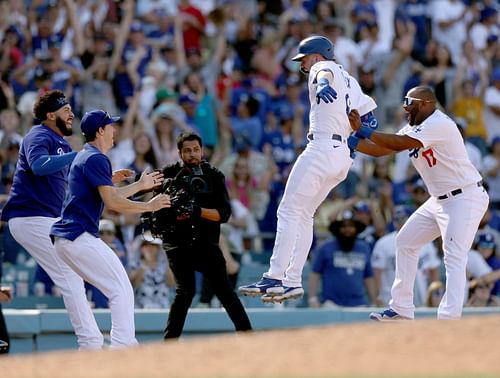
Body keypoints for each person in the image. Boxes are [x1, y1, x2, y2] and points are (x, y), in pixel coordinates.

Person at [239, 35, 378, 302]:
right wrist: (355, 137)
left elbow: (321, 72)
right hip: (343, 158)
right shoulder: (351, 80)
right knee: (304, 214)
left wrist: (323, 81)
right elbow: (371, 122)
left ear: (316, 55)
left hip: (321, 149)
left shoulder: (321, 67)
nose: (302, 64)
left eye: (303, 58)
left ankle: (274, 276)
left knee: (288, 210)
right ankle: (292, 281)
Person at [348, 85, 489, 320]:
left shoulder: (439, 124)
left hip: (465, 197)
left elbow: (399, 144)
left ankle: (450, 318)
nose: (406, 109)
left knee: (454, 255)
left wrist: (362, 130)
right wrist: (352, 142)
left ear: (425, 104)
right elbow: (384, 149)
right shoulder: (417, 125)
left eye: (410, 104)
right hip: (439, 200)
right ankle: (401, 308)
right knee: (405, 241)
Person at [50, 110, 171, 348]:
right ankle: (123, 349)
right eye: (111, 126)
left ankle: (96, 346)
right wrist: (149, 206)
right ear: (100, 131)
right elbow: (114, 203)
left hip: (67, 240)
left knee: (116, 288)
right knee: (121, 289)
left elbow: (108, 196)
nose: (115, 130)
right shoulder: (96, 158)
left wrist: (138, 185)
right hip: (77, 236)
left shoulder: (87, 155)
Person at [0, 90, 106, 350]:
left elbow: (76, 180)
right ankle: (91, 343)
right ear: (50, 115)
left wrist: (109, 180)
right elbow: (39, 165)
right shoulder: (38, 134)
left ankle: (91, 341)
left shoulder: (64, 144)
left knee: (73, 274)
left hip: (45, 218)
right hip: (29, 217)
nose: (71, 113)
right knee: (69, 275)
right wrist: (78, 155)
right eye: (65, 109)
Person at [159, 132, 252, 339]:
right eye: (187, 150)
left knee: (225, 291)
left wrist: (197, 211)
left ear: (202, 150)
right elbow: (145, 186)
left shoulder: (214, 175)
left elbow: (224, 215)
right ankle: (169, 344)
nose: (192, 154)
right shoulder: (169, 173)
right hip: (177, 244)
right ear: (179, 153)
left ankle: (248, 337)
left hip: (206, 244)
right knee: (185, 293)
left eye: (195, 150)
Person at [308, 209, 377, 308]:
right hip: (331, 304)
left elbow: (368, 277)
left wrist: (373, 301)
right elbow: (315, 273)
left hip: (359, 304)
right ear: (337, 229)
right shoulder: (325, 248)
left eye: (351, 226)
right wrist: (312, 298)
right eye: (343, 226)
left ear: (356, 228)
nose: (347, 229)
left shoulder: (364, 248)